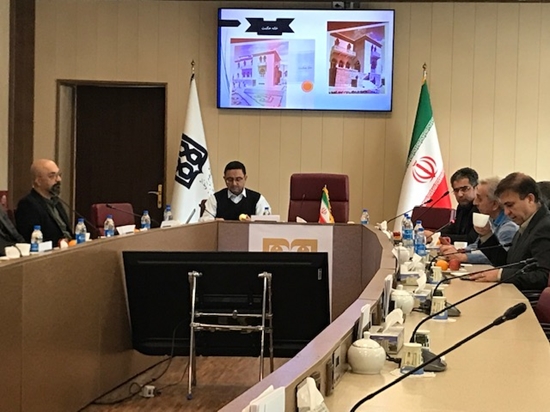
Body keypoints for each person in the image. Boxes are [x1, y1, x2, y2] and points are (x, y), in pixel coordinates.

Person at [469, 172, 550, 292]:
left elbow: (543, 277)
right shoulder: (527, 224)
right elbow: (508, 263)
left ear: (530, 199)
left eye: (510, 205)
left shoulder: (545, 227)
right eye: (504, 207)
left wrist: (500, 275)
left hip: (526, 299)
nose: (506, 212)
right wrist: (487, 235)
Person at [439, 177, 518, 265]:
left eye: (479, 199)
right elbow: (476, 246)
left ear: (494, 204)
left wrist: (463, 257)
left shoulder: (509, 227)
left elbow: (498, 257)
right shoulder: (490, 220)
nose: (475, 203)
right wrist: (458, 251)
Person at [15, 159, 73, 245]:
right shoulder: (27, 205)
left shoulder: (57, 202)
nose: (58, 179)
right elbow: (32, 240)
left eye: (59, 175)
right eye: (52, 176)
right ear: (38, 181)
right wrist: (58, 243)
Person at [200, 161, 271, 221]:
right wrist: (214, 221)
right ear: (224, 179)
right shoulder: (215, 199)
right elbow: (204, 221)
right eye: (230, 179)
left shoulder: (257, 199)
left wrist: (252, 223)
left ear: (245, 178)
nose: (234, 183)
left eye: (238, 179)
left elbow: (265, 224)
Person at [425, 167, 479, 244]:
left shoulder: (481, 208)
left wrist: (436, 236)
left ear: (476, 188)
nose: (460, 194)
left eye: (464, 189)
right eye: (456, 190)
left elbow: (470, 239)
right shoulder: (462, 206)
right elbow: (454, 229)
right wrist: (435, 234)